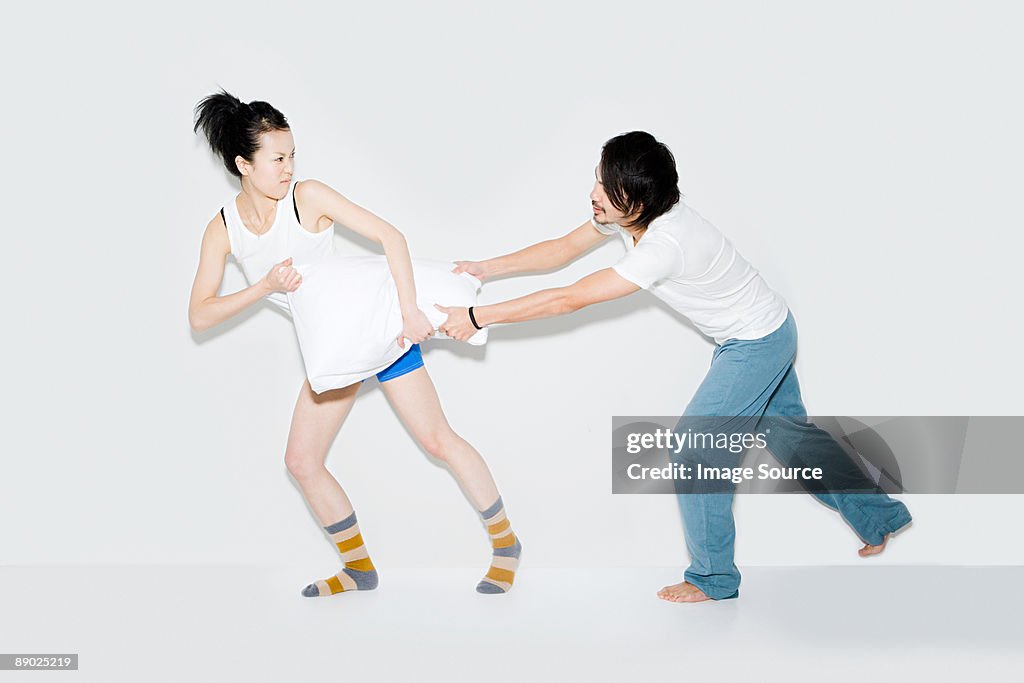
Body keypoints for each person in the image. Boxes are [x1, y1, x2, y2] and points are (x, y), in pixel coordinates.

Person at [437, 131, 911, 603]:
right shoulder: (630, 215)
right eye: (598, 180)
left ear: (639, 200)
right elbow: (561, 249)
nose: (594, 194)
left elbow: (569, 298)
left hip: (756, 343)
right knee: (791, 437)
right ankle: (879, 516)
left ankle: (713, 579)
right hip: (770, 327)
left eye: (605, 187)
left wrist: (480, 316)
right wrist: (486, 268)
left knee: (696, 451)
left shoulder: (665, 245)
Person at [188, 91, 521, 596]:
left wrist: (409, 314)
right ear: (243, 164)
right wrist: (263, 288)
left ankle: (506, 544)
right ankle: (358, 569)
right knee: (301, 461)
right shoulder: (223, 229)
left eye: (292, 154)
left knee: (438, 440)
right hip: (336, 351)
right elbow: (200, 314)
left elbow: (392, 237)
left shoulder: (307, 197)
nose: (288, 167)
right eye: (277, 159)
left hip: (380, 333)